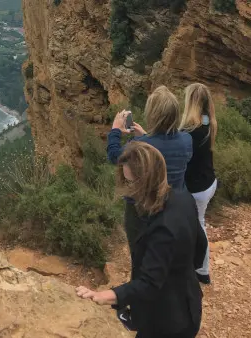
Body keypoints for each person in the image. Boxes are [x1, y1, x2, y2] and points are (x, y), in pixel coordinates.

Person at [76, 142, 207, 338]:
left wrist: (104, 296)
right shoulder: (182, 198)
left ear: (146, 181)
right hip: (188, 299)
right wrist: (180, 272)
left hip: (168, 320)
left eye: (131, 182)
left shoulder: (163, 227)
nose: (129, 189)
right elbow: (201, 245)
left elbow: (149, 283)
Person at [107, 86, 193, 249]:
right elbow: (163, 152)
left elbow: (114, 156)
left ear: (152, 115)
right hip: (175, 208)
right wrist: (145, 136)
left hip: (142, 212)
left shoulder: (138, 147)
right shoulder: (187, 140)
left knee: (142, 258)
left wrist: (115, 130)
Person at [180, 83, 218, 285]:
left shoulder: (189, 131)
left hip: (196, 188)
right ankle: (200, 269)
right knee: (198, 223)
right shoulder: (209, 122)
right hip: (209, 181)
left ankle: (199, 270)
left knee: (193, 226)